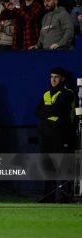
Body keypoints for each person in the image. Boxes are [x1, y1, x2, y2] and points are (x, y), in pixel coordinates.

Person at [36, 67, 76, 202]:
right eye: (51, 77)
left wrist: (47, 111)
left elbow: (59, 110)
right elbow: (38, 112)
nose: (53, 80)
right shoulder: (46, 93)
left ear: (62, 78)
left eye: (56, 77)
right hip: (47, 134)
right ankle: (48, 196)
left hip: (63, 133)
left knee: (64, 165)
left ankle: (65, 196)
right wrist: (50, 111)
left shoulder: (68, 93)